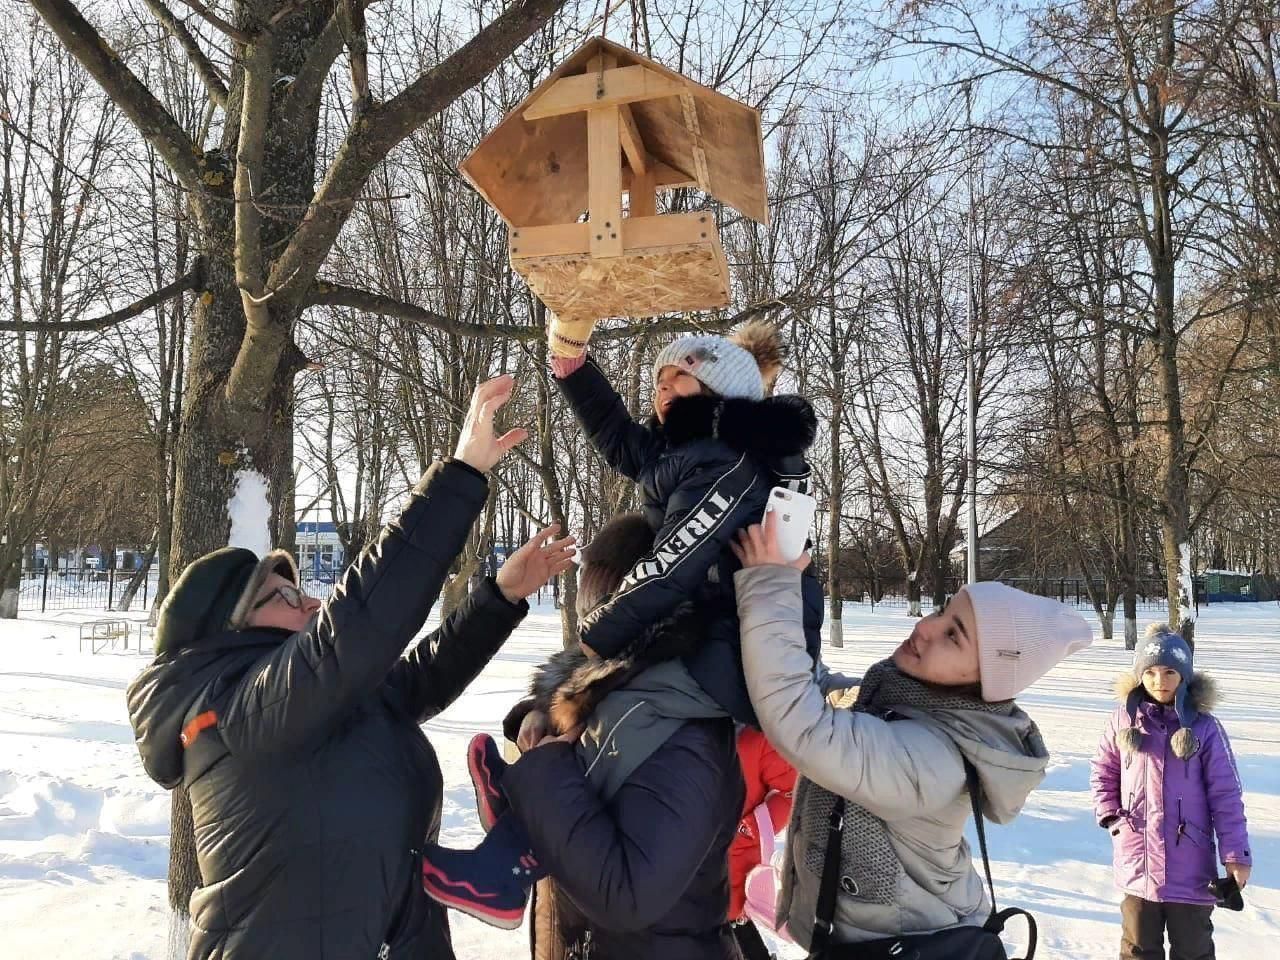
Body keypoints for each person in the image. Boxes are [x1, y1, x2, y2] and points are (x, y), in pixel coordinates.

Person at [125, 376, 576, 960]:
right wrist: (460, 476)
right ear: (231, 630)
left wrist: (500, 597)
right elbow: (362, 621)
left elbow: (420, 677)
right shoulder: (240, 714)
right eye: (285, 598)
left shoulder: (309, 700)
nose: (310, 602)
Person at [729, 514, 1094, 951]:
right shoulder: (910, 705)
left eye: (953, 636)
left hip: (902, 945)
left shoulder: (931, 756)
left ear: (987, 680)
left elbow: (801, 722)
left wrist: (770, 584)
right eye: (943, 612)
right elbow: (817, 693)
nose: (925, 627)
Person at [427, 509, 745, 957]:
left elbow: (628, 897)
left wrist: (542, 776)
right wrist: (542, 715)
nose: (587, 620)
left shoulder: (685, 734)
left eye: (596, 602)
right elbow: (596, 725)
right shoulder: (628, 688)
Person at [547, 322, 824, 725]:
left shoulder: (728, 463)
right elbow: (615, 435)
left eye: (681, 376)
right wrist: (574, 367)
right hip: (706, 627)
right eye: (660, 380)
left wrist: (590, 641)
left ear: (720, 389)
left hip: (742, 656)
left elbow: (671, 568)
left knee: (612, 710)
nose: (664, 387)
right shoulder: (684, 451)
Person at [1090, 624, 1252, 960]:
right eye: (1149, 672)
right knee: (1138, 950)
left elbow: (1226, 796)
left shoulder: (1204, 729)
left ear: (1184, 674)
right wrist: (1111, 816)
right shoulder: (1124, 720)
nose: (1159, 681)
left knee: (1193, 951)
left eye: (1168, 672)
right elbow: (1103, 770)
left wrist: (1235, 856)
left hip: (1190, 871)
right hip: (1137, 865)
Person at [728, 726, 797, 960]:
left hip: (741, 884)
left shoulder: (753, 736)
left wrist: (748, 829)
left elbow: (791, 793)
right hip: (684, 889)